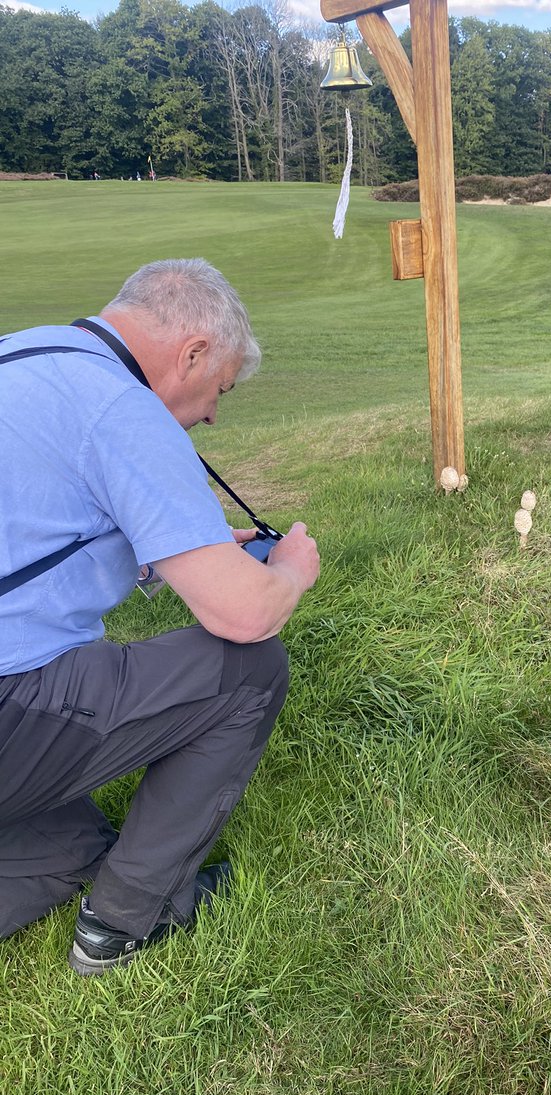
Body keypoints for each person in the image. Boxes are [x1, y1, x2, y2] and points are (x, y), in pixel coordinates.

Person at [0, 259, 320, 975]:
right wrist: (291, 572)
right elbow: (244, 615)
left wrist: (173, 553)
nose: (212, 413)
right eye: (219, 390)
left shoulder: (26, 354)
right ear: (194, 354)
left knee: (75, 846)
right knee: (249, 669)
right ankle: (122, 926)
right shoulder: (121, 407)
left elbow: (33, 530)